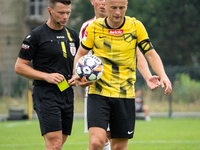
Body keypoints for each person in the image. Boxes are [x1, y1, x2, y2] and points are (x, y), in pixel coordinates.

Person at [72, 0, 172, 149]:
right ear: (106, 6)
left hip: (125, 94)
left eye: (122, 8)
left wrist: (162, 75)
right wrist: (78, 74)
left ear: (126, 6)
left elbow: (150, 54)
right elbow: (81, 53)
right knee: (96, 142)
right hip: (98, 92)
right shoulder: (93, 28)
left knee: (119, 147)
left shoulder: (135, 26)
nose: (118, 12)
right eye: (114, 8)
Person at [14, 0, 79, 149]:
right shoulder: (36, 35)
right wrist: (46, 76)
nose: (65, 16)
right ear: (50, 11)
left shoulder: (72, 35)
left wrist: (78, 77)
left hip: (66, 93)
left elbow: (77, 63)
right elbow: (19, 67)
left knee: (59, 143)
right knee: (55, 143)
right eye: (61, 13)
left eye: (68, 13)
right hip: (46, 94)